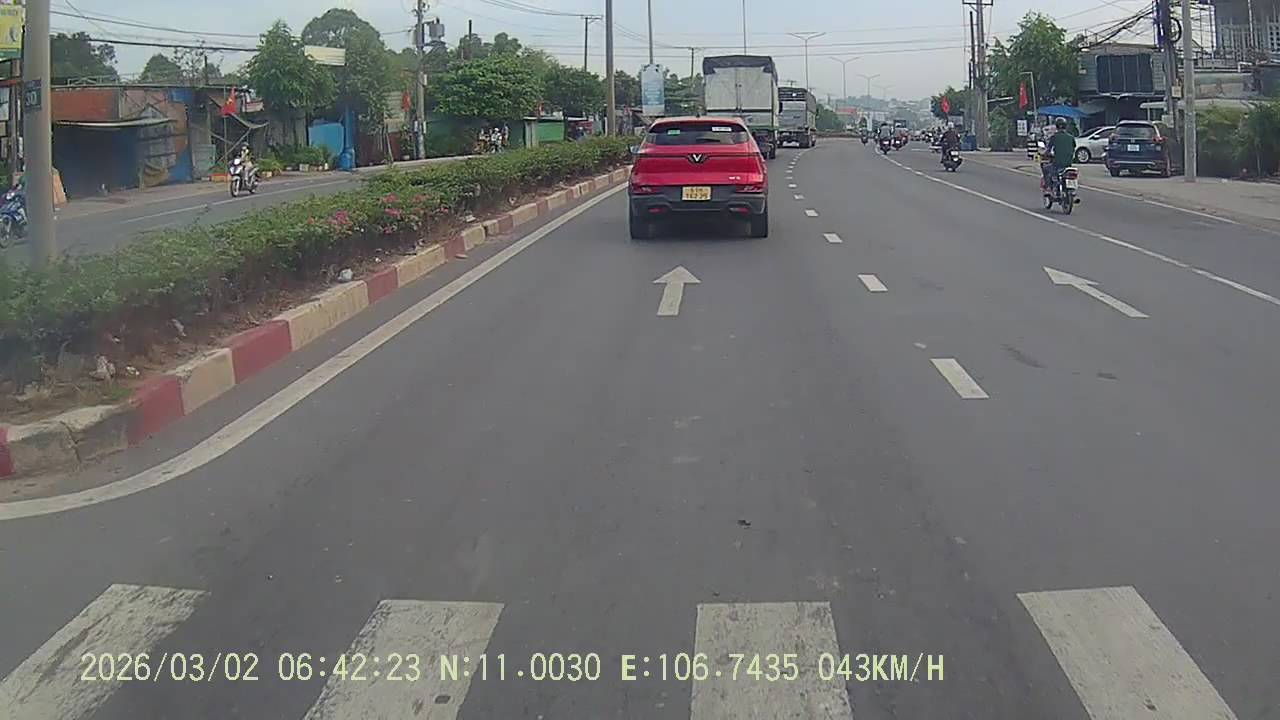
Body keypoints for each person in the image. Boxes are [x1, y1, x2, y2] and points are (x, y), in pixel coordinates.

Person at [1042, 117, 1075, 190]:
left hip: (1057, 164)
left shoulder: (1054, 137)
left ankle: (1048, 187)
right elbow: (1073, 148)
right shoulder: (1071, 137)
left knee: (1045, 168)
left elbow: (1048, 150)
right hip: (1068, 164)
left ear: (1056, 126)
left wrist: (1045, 154)